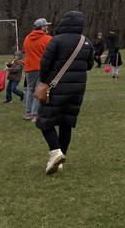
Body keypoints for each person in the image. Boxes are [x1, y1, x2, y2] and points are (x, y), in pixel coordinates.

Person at [35, 10, 94, 175]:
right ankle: (60, 160)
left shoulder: (56, 40)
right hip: (78, 89)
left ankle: (55, 152)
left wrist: (44, 81)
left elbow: (45, 64)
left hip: (56, 87)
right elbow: (89, 65)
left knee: (44, 121)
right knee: (66, 123)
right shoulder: (86, 41)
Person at [23, 18, 52, 121]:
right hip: (41, 68)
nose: (47, 27)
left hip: (29, 68)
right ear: (42, 27)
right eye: (46, 26)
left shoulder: (27, 38)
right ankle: (35, 114)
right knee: (38, 91)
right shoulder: (47, 39)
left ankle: (28, 113)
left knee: (30, 90)